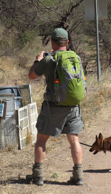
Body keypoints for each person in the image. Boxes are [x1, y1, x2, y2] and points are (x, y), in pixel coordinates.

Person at [28, 28, 84, 186]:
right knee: (74, 140)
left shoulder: (49, 59)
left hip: (53, 106)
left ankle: (38, 176)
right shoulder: (76, 57)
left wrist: (38, 61)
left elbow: (32, 75)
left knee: (41, 139)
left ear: (52, 42)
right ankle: (78, 176)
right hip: (73, 106)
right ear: (67, 42)